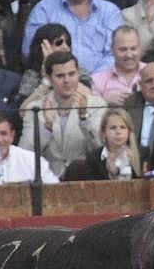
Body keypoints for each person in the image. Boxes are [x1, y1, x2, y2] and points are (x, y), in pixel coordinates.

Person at [22, 0, 124, 74]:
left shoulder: (109, 11)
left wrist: (94, 81)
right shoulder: (44, 9)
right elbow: (31, 52)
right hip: (55, 80)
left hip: (102, 84)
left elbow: (115, 53)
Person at [19, 48, 108, 177]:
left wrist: (84, 118)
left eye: (71, 74)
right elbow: (25, 152)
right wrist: (47, 128)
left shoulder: (97, 105)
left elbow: (101, 148)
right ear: (49, 78)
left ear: (78, 74)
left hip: (84, 178)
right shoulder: (35, 108)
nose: (67, 80)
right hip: (48, 178)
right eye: (60, 76)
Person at [62, 106, 141, 181]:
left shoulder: (142, 153)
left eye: (123, 127)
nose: (118, 132)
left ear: (129, 131)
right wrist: (112, 175)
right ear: (104, 132)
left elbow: (143, 187)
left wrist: (129, 166)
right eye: (113, 127)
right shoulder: (93, 158)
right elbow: (94, 190)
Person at [88, 25, 144, 106]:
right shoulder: (97, 81)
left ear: (140, 48)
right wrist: (104, 102)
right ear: (112, 49)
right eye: (123, 49)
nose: (129, 55)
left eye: (133, 49)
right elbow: (91, 115)